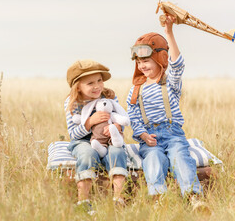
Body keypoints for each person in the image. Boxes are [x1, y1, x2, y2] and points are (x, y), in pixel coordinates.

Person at [126, 15, 203, 203]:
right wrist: (142, 135)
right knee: (152, 160)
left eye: (146, 61)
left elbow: (178, 65)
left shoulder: (170, 82)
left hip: (173, 134)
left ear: (161, 58)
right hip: (149, 138)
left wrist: (169, 31)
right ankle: (159, 199)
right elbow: (133, 116)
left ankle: (193, 198)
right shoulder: (136, 89)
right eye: (139, 62)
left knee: (180, 157)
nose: (142, 66)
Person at [65, 59, 127, 214]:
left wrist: (118, 126)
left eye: (99, 80)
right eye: (90, 83)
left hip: (107, 139)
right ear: (77, 86)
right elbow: (73, 134)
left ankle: (119, 200)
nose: (97, 86)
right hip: (83, 141)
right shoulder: (73, 103)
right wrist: (89, 123)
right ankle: (83, 201)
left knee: (117, 152)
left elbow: (120, 118)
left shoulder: (109, 97)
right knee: (87, 154)